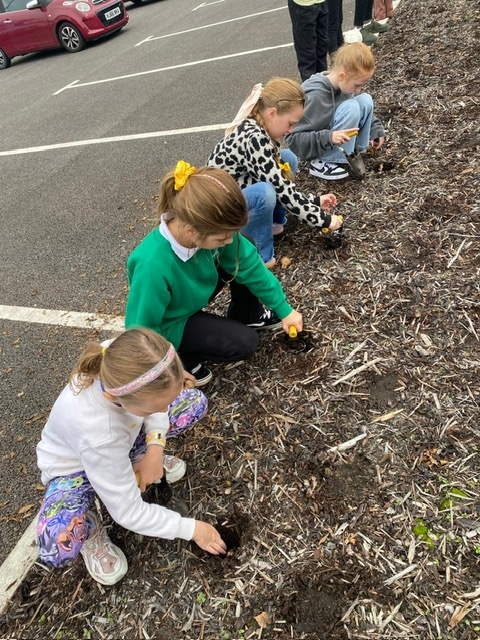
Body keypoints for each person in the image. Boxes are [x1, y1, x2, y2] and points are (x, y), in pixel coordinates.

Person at [36, 328, 227, 586]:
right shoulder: (99, 434)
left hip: (119, 444)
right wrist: (193, 529)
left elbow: (157, 406)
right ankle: (89, 528)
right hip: (74, 470)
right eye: (155, 407)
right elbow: (129, 513)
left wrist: (155, 449)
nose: (164, 409)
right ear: (125, 400)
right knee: (56, 544)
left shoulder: (123, 357)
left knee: (190, 402)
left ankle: (139, 459)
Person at [125, 162, 303, 387]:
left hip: (190, 295)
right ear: (192, 231)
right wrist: (167, 368)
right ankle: (184, 356)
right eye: (222, 238)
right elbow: (141, 331)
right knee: (245, 343)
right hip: (171, 322)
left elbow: (250, 265)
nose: (228, 241)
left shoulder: (204, 230)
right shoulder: (152, 266)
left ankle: (248, 313)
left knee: (243, 247)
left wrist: (284, 309)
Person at [208, 78, 342, 267]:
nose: (291, 130)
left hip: (238, 188)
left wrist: (313, 201)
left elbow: (278, 181)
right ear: (272, 113)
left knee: (288, 159)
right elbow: (281, 190)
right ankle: (260, 256)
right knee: (265, 192)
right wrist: (324, 220)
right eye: (290, 124)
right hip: (222, 210)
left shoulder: (260, 126)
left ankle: (275, 225)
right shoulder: (255, 139)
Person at [285, 42, 385, 181]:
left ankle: (356, 151)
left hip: (331, 139)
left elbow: (359, 105)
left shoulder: (342, 86)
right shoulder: (314, 96)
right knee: (351, 106)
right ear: (342, 75)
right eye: (357, 85)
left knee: (365, 100)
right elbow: (294, 139)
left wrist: (375, 129)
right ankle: (323, 162)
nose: (358, 90)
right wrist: (328, 137)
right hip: (318, 148)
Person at [287, 0, 329, 83]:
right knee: (308, 56)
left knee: (321, 51)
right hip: (302, 4)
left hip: (320, 3)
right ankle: (312, 88)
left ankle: (322, 87)